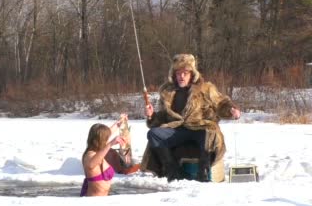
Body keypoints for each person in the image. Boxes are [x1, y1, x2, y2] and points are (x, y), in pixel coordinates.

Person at [141, 53, 241, 182]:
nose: (181, 77)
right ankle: (172, 170)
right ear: (174, 74)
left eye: (185, 73)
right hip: (177, 130)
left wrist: (231, 109)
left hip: (199, 128)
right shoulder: (167, 92)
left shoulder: (206, 88)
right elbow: (163, 116)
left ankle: (203, 172)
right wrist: (151, 115)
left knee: (210, 133)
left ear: (192, 74)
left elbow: (221, 103)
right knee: (153, 134)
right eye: (178, 73)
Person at [80, 115, 129, 197]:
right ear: (100, 140)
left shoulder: (99, 150)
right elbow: (91, 164)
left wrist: (119, 123)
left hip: (102, 200)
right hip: (91, 202)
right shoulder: (89, 155)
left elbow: (108, 132)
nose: (108, 139)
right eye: (106, 138)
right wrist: (110, 144)